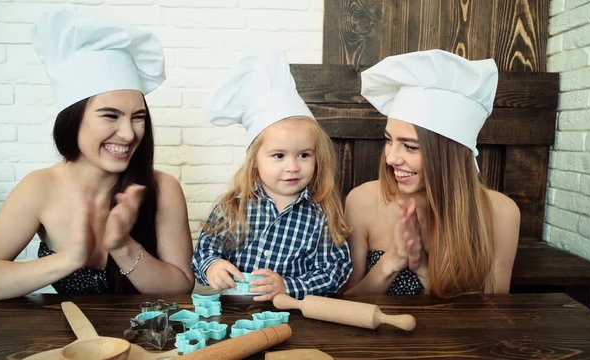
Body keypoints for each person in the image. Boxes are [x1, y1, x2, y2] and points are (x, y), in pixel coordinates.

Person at [0, 9, 195, 302]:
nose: (128, 133)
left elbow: (180, 287)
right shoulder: (39, 187)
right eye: (110, 116)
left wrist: (122, 246)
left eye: (138, 117)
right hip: (70, 344)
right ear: (73, 118)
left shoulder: (163, 188)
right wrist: (69, 259)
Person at [343, 49, 520, 297]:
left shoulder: (501, 213)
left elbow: (491, 315)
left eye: (410, 146)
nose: (391, 158)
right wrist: (391, 262)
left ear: (448, 156)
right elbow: (346, 304)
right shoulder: (361, 200)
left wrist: (424, 270)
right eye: (388, 140)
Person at [192, 50, 352, 301]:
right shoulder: (233, 206)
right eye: (279, 156)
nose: (293, 167)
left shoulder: (320, 215)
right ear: (254, 161)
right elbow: (204, 251)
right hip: (234, 315)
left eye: (304, 155)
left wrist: (287, 285)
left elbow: (334, 272)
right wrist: (211, 266)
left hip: (294, 316)